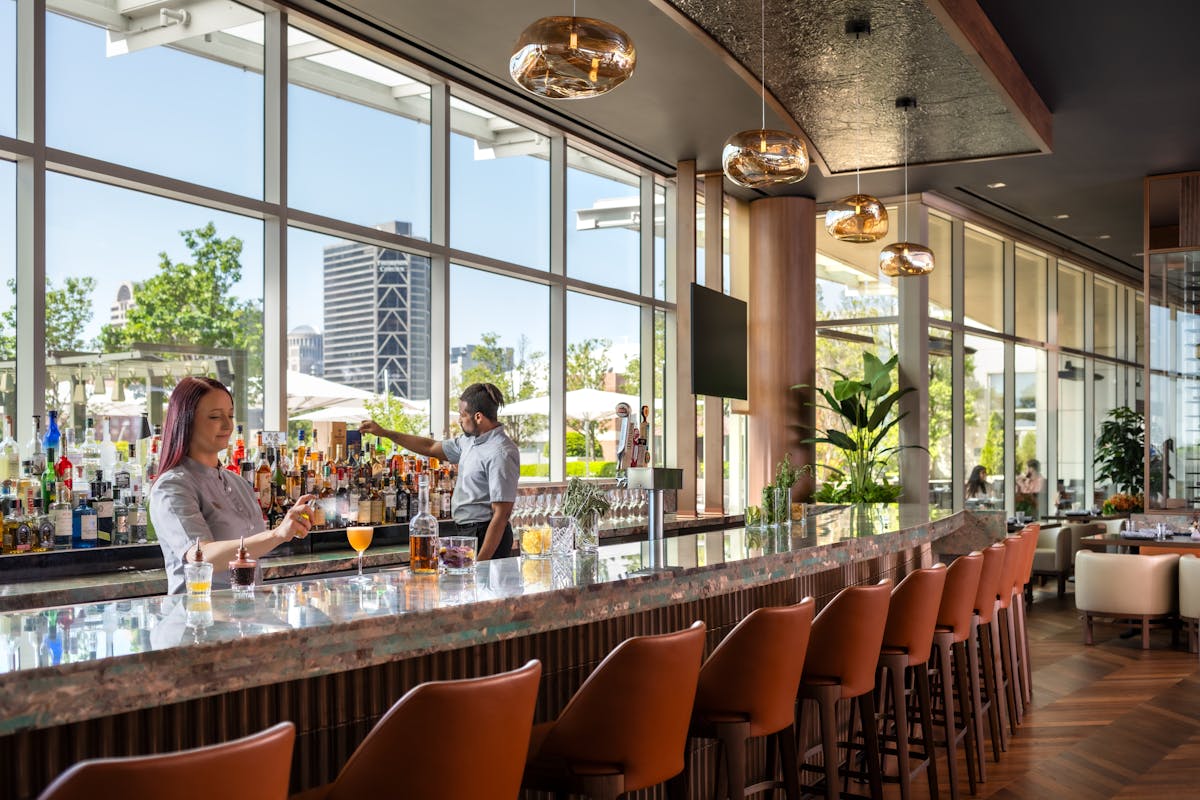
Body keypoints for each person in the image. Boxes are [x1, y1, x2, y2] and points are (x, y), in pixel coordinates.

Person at [150, 377, 315, 594]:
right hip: (197, 620)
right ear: (185, 421)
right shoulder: (172, 487)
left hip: (244, 618)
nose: (228, 425)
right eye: (215, 416)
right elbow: (201, 556)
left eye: (230, 415)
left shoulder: (239, 484)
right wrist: (277, 534)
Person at [360, 382, 519, 560]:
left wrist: (481, 563)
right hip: (466, 532)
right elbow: (430, 447)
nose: (459, 420)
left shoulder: (500, 452)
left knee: (479, 584)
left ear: (479, 417)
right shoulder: (470, 441)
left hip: (486, 535)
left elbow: (502, 514)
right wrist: (385, 433)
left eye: (462, 415)